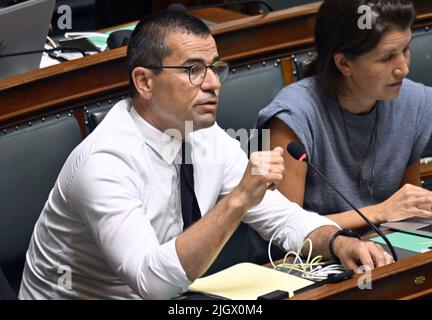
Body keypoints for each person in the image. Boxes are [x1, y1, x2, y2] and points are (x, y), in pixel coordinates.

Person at [19, 10, 392, 300]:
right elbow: (152, 283)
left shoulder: (204, 135)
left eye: (214, 67)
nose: (214, 82)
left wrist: (338, 241)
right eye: (194, 70)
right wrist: (239, 200)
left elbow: (282, 219)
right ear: (144, 82)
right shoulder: (105, 163)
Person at [257, 0, 432, 230]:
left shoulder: (412, 101)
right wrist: (380, 211)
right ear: (344, 63)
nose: (403, 68)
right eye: (386, 58)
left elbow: (410, 211)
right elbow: (284, 228)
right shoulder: (291, 118)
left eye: (405, 50)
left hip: (383, 250)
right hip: (309, 260)